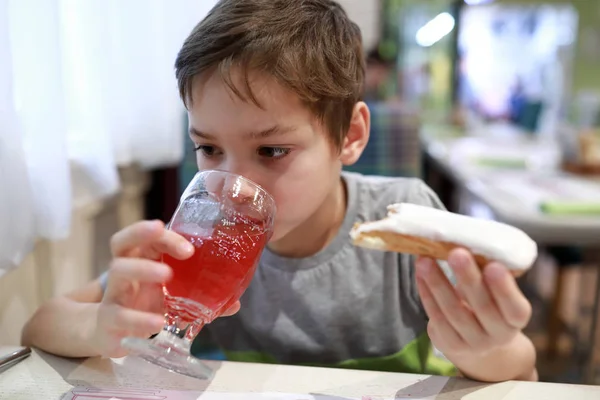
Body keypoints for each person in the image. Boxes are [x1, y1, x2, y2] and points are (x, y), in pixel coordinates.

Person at [21, 0, 537, 382]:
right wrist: (104, 324)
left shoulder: (402, 223)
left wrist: (485, 349)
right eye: (209, 149)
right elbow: (40, 325)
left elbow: (523, 374)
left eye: (271, 151)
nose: (235, 187)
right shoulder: (199, 233)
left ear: (351, 136)